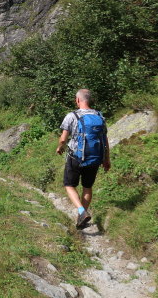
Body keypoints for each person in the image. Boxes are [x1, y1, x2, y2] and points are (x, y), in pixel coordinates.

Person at [56, 89, 111, 229]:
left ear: (78, 100)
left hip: (76, 157)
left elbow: (63, 138)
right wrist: (106, 159)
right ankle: (81, 217)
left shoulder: (72, 115)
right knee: (87, 187)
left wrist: (60, 147)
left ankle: (81, 211)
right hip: (95, 158)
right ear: (89, 100)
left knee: (69, 185)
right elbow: (105, 140)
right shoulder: (99, 115)